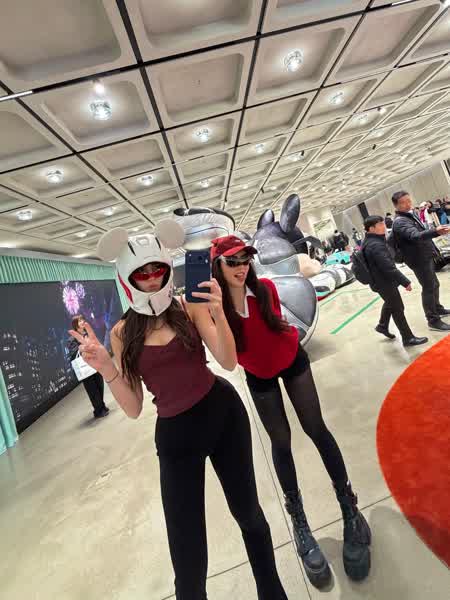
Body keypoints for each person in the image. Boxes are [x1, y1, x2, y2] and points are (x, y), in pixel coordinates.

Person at [69, 226, 288, 600]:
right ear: (127, 277)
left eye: (157, 269)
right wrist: (106, 367)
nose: (152, 279)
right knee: (187, 560)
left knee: (250, 516)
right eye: (142, 273)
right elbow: (134, 407)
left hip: (223, 415)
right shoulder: (122, 332)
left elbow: (228, 361)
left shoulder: (189, 307)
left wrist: (218, 313)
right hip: (175, 439)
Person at [211, 235, 371, 587]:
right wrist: (214, 309)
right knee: (281, 443)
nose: (241, 267)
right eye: (232, 261)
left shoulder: (265, 288)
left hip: (291, 359)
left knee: (316, 429)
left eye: (245, 259)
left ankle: (349, 506)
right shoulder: (215, 308)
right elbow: (226, 357)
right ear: (218, 266)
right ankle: (299, 520)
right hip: (258, 374)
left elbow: (276, 326)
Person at [362, 217, 427, 347]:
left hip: (381, 280)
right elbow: (388, 267)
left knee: (390, 303)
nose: (384, 226)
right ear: (371, 228)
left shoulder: (371, 241)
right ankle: (408, 338)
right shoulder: (375, 245)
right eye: (380, 224)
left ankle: (382, 326)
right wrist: (405, 282)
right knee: (397, 308)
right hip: (384, 282)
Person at [391, 191, 450, 332]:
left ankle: (437, 308)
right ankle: (433, 320)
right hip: (417, 259)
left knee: (434, 284)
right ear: (396, 205)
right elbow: (415, 235)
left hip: (424, 255)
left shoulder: (409, 215)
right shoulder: (400, 221)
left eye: (409, 200)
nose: (408, 204)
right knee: (428, 287)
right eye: (403, 202)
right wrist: (435, 231)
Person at [68, 315, 109, 418]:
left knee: (99, 385)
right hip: (85, 368)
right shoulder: (72, 339)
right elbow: (73, 353)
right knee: (92, 390)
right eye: (79, 321)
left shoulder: (88, 334)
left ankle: (102, 406)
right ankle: (98, 410)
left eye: (82, 320)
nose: (82, 322)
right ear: (75, 325)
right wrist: (82, 347)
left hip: (95, 364)